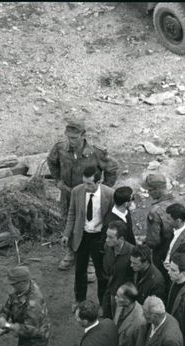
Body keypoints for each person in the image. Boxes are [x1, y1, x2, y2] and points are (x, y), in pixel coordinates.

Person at [48, 117, 118, 271]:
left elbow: (112, 169)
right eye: (69, 137)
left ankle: (92, 260)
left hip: (90, 195)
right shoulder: (60, 148)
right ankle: (72, 252)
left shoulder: (96, 152)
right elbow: (51, 162)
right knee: (68, 220)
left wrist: (103, 189)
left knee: (92, 223)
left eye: (75, 137)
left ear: (83, 134)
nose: (71, 141)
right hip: (68, 193)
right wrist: (58, 180)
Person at [63, 165, 115, 305]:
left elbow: (112, 220)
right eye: (84, 182)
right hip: (82, 236)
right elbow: (72, 213)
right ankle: (80, 301)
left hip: (99, 238)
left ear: (99, 182)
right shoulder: (77, 191)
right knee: (80, 272)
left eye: (89, 184)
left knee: (101, 273)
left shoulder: (110, 194)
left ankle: (103, 305)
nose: (85, 187)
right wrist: (67, 234)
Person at [102, 222, 134, 319]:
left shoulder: (132, 253)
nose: (106, 240)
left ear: (121, 239)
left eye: (111, 237)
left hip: (122, 298)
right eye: (107, 236)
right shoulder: (107, 247)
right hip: (109, 293)